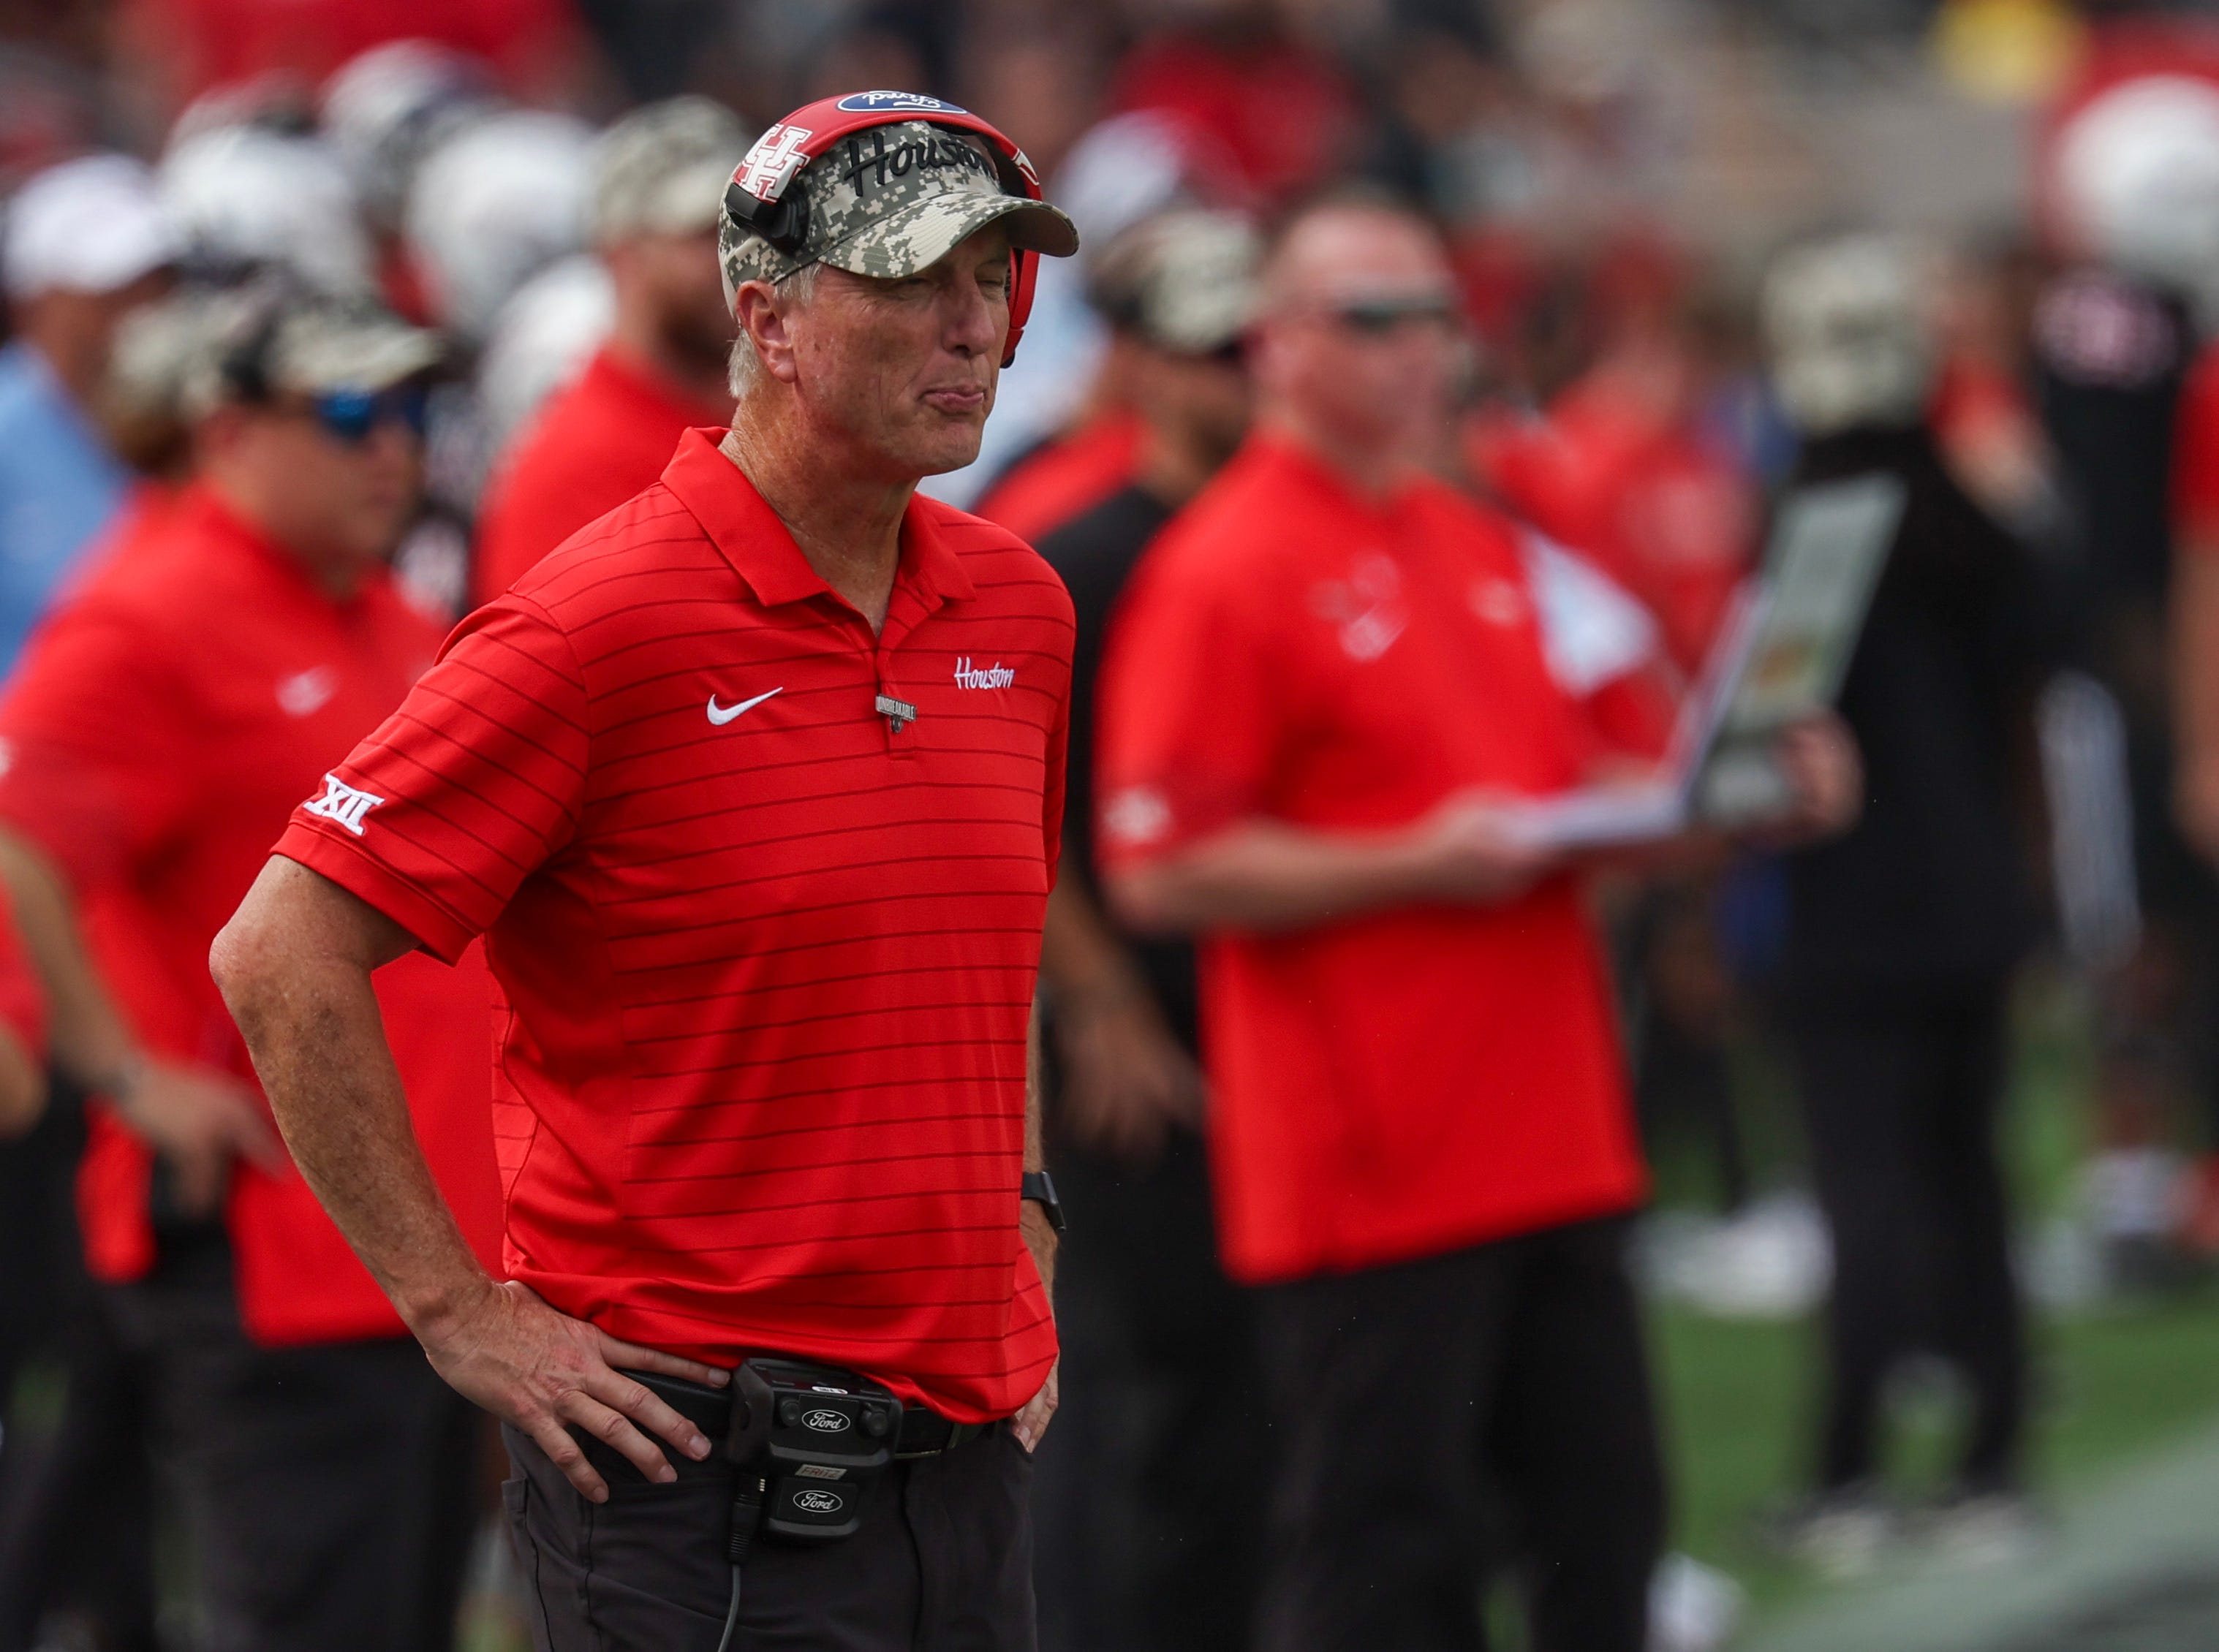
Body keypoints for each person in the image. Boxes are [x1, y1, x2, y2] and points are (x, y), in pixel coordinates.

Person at [211, 92, 1081, 1650]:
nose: (968, 326)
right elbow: (279, 949)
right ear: (772, 320)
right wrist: (457, 1309)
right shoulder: (596, 621)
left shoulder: (1017, 606)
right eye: (912, 279)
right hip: (692, 1478)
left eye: (995, 278)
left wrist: (1019, 1202)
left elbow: (976, 945)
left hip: (960, 1456)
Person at [1092, 194, 1859, 1652]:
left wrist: (1750, 791)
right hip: (1371, 1150)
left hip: (1549, 1122)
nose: (1415, 350)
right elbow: (1159, 863)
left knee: (1603, 1519)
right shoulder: (1222, 564)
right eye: (1372, 318)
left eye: (1434, 314)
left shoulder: (1467, 534)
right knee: (1381, 1550)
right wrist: (1408, 861)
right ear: (1278, 343)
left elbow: (1590, 792)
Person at [0, 286, 501, 1651]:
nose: (390, 447)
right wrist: (122, 1072)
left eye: (411, 412)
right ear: (226, 430)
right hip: (278, 1249)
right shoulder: (156, 612)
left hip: (419, 1239)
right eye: (347, 414)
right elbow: (17, 837)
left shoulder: (389, 610)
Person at [1762, 233, 2059, 1566]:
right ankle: (1995, 1459)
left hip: (1856, 908)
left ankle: (1854, 1474)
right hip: (1972, 892)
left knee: (1869, 1196)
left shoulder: (1816, 513)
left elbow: (1770, 719)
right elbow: (2042, 671)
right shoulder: (1976, 508)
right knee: (1972, 1187)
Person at [1027, 208, 1263, 1652]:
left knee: (1272, 1398)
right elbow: (1012, 805)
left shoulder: (1280, 532)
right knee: (1151, 1396)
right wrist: (1101, 996)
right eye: (1212, 348)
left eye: (1259, 342)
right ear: (1134, 361)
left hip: (1274, 1010)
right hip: (1143, 1022)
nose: (1246, 374)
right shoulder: (1073, 553)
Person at [471, 96, 749, 603]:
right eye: (703, 234)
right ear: (622, 255)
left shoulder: (775, 415)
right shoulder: (574, 474)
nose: (737, 257)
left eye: (747, 226)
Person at [0, 154, 179, 674]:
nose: (142, 313)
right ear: (33, 303)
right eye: (110, 293)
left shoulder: (203, 425)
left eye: (158, 284)